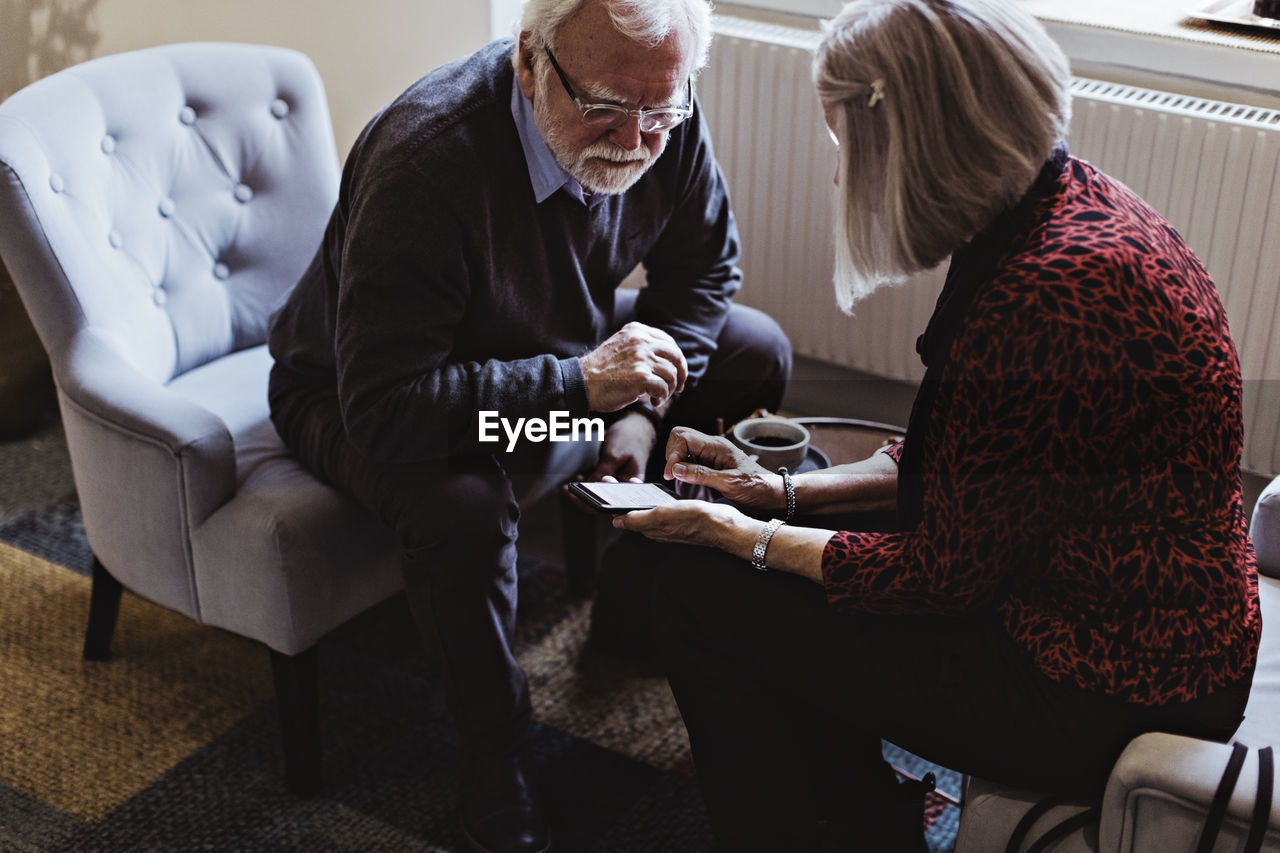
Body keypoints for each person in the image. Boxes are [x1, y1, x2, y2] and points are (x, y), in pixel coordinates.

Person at [612, 0, 1263, 849]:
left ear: (912, 138)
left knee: (702, 595)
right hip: (1137, 615)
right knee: (771, 550)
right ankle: (846, 798)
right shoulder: (1063, 204)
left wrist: (740, 533)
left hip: (1106, 682)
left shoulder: (1047, 298)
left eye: (845, 143)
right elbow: (960, 466)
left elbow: (938, 576)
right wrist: (778, 491)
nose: (841, 173)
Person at [265, 0, 792, 850]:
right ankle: (493, 750)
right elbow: (388, 407)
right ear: (528, 62)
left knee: (754, 351)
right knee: (464, 508)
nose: (635, 140)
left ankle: (636, 595)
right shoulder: (426, 163)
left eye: (661, 112)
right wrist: (582, 389)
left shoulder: (658, 105)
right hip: (357, 389)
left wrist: (640, 409)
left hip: (551, 354)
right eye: (607, 110)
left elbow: (704, 269)